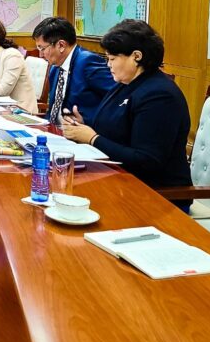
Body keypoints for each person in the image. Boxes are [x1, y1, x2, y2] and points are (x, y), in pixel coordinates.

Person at [61, 20, 192, 207]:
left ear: (136, 56)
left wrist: (92, 138)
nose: (108, 65)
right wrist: (84, 125)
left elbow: (147, 160)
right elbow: (117, 129)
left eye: (112, 59)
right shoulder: (125, 84)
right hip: (119, 180)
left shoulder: (160, 95)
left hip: (156, 195)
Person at [32, 17, 115, 126]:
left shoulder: (87, 62)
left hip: (82, 132)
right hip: (54, 130)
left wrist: (87, 122)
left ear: (61, 45)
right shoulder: (55, 68)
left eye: (42, 48)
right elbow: (53, 110)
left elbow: (116, 101)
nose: (40, 55)